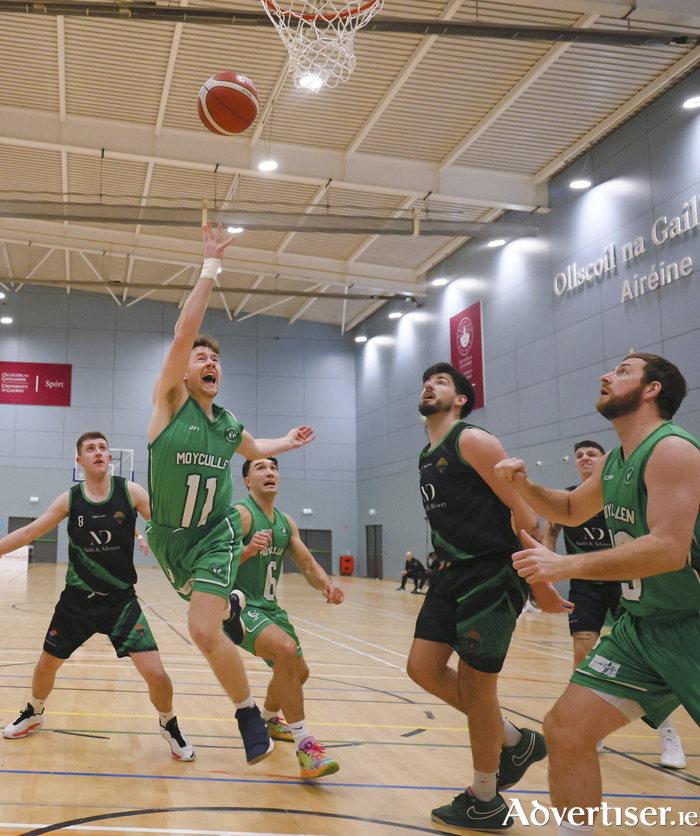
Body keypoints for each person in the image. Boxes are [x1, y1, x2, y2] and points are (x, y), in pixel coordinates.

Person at [495, 353, 700, 836]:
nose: (607, 375)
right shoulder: (614, 461)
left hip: (693, 624)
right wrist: (525, 486)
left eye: (624, 370)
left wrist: (565, 565)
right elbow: (568, 509)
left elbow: (669, 550)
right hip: (642, 629)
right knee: (566, 729)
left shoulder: (672, 450)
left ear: (652, 390)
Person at [145, 222, 314, 766]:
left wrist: (285, 442)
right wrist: (209, 268)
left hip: (213, 536)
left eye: (215, 359)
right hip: (171, 539)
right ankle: (236, 610)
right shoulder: (170, 404)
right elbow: (182, 334)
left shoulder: (225, 424)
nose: (209, 363)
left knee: (201, 628)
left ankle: (247, 714)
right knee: (209, 624)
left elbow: (255, 444)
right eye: (201, 359)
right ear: (185, 372)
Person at [407, 362, 572, 831]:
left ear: (460, 399)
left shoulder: (472, 440)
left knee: (480, 689)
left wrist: (540, 583)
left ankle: (485, 798)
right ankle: (515, 741)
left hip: (492, 573)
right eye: (428, 381)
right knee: (421, 667)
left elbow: (526, 513)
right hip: (449, 572)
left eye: (441, 382)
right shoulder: (426, 454)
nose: (429, 385)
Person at [2, 432, 194, 761]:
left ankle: (168, 723)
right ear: (80, 461)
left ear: (110, 456)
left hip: (120, 603)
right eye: (91, 449)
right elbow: (28, 532)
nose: (99, 452)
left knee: (157, 674)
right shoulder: (69, 500)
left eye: (103, 448)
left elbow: (166, 528)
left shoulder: (130, 492)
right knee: (45, 667)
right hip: (76, 602)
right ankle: (35, 711)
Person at [544, 438, 686, 768]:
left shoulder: (617, 495)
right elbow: (548, 534)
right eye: (579, 455)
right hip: (584, 583)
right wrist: (548, 570)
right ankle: (589, 724)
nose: (584, 458)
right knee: (582, 646)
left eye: (591, 453)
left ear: (603, 460)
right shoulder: (569, 501)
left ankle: (668, 733)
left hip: (625, 580)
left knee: (650, 656)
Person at [224, 456, 343, 779]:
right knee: (286, 652)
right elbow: (214, 558)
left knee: (297, 672)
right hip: (239, 606)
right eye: (260, 468)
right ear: (247, 481)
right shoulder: (241, 514)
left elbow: (306, 564)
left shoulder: (284, 522)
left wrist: (326, 584)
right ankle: (306, 748)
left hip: (271, 608)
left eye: (273, 468)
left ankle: (268, 718)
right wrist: (246, 550)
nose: (269, 472)